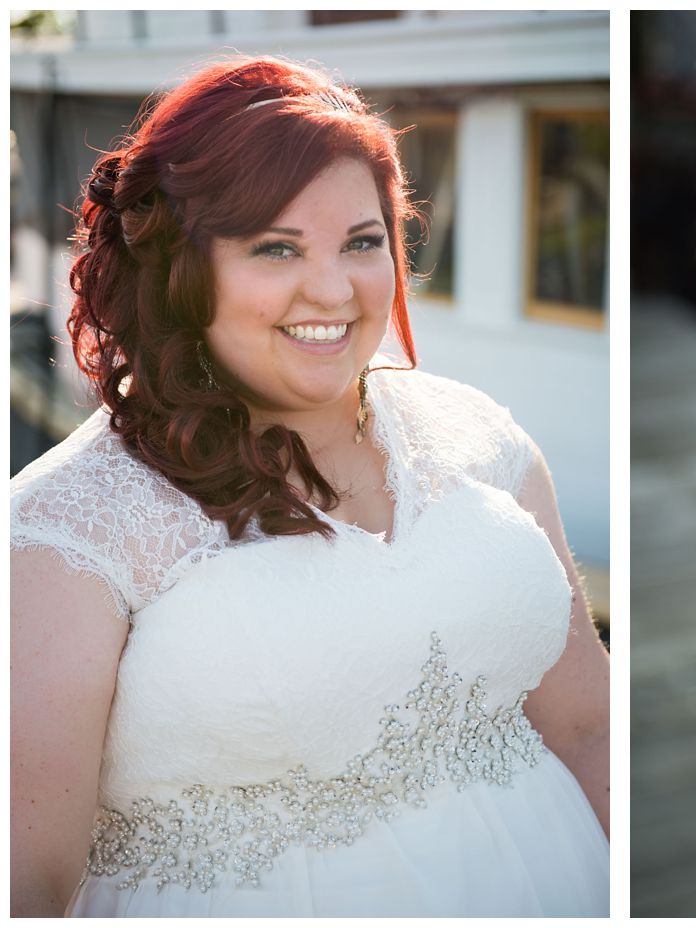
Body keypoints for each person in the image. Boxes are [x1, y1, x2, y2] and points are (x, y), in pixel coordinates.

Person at [10, 57, 610, 916]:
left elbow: (590, 729)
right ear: (183, 266)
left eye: (363, 243)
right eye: (275, 248)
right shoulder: (63, 531)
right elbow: (26, 885)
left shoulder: (482, 438)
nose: (333, 290)